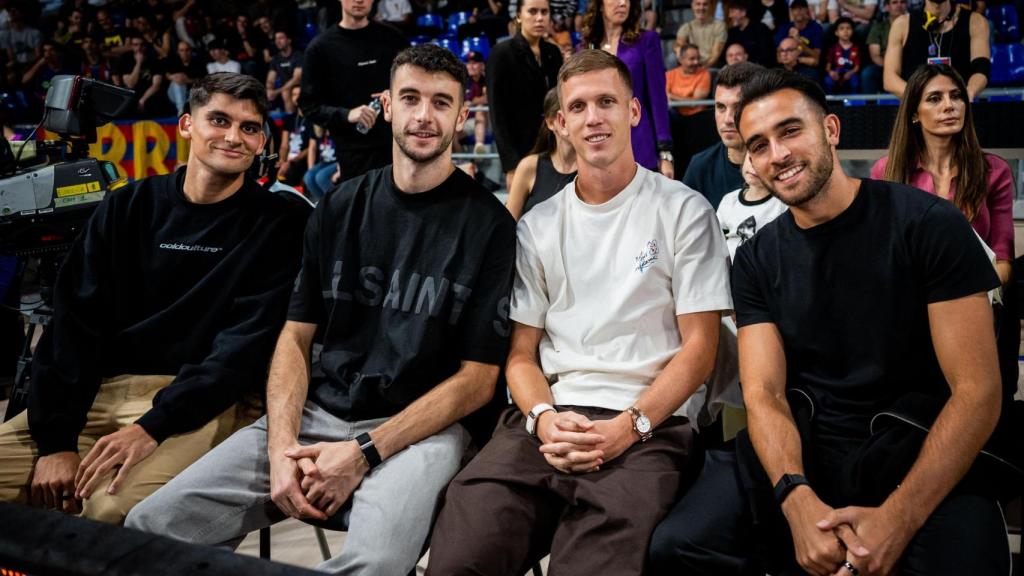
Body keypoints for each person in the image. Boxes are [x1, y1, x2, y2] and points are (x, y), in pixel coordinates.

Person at [127, 44, 516, 576]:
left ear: (462, 116)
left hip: (419, 430)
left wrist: (363, 452)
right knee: (148, 526)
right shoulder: (339, 204)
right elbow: (294, 336)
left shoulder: (491, 226)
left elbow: (477, 381)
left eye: (441, 103)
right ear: (387, 105)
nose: (424, 115)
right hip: (316, 415)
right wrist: (281, 446)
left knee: (374, 564)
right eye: (410, 98)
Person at [649, 68, 1009, 576]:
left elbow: (978, 391)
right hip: (806, 446)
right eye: (759, 145)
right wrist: (795, 498)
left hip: (917, 446)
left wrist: (898, 518)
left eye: (790, 130)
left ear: (831, 130)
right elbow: (764, 394)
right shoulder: (756, 259)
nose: (778, 154)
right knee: (678, 545)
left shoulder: (928, 224)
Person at [426, 48, 731, 576]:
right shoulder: (538, 226)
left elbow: (701, 348)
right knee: (460, 557)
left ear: (633, 111)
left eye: (607, 102)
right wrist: (544, 419)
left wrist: (629, 426)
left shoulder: (684, 209)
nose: (594, 118)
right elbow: (521, 355)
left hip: (647, 424)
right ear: (560, 123)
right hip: (549, 419)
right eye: (579, 106)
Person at [0, 73, 306, 524]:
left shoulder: (281, 223)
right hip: (99, 392)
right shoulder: (127, 205)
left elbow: (240, 351)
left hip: (201, 405)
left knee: (108, 512)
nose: (233, 137)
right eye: (219, 120)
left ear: (261, 142)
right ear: (186, 125)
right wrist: (57, 443)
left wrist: (152, 427)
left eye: (249, 128)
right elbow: (73, 327)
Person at [872, 64, 1014, 286]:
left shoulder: (995, 170)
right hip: (908, 297)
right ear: (914, 114)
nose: (949, 106)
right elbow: (881, 252)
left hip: (974, 294)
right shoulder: (885, 170)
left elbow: (1003, 261)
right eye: (935, 98)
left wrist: (964, 295)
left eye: (956, 96)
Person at [299, 0, 407, 183]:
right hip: (353, 155)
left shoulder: (393, 37)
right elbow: (308, 106)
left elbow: (417, 82)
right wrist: (347, 114)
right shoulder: (320, 49)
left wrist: (398, 93)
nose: (359, 0)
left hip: (398, 145)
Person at [583, 0, 674, 176]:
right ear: (600, 5)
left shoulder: (647, 41)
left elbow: (658, 100)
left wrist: (665, 152)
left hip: (639, 145)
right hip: (598, 146)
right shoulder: (586, 47)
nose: (623, 3)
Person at [487, 0, 562, 190]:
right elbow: (498, 114)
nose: (539, 18)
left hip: (554, 148)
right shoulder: (501, 53)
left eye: (544, 12)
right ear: (519, 16)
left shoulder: (553, 53)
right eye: (532, 11)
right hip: (520, 152)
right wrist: (511, 165)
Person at [683, 62, 764, 209]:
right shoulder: (700, 166)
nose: (728, 119)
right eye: (721, 107)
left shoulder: (781, 164)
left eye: (738, 108)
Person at [883, 0, 990, 100]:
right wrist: (925, 99)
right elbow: (889, 79)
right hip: (917, 108)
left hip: (958, 105)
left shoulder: (976, 22)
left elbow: (981, 70)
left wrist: (967, 94)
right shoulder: (902, 24)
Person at [506, 87, 577, 220]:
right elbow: (508, 223)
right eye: (572, 111)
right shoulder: (529, 166)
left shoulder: (593, 168)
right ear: (551, 123)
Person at [861, 0, 907, 94]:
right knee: (868, 73)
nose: (899, 5)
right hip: (884, 66)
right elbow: (875, 56)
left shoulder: (914, 26)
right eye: (894, 2)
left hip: (909, 65)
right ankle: (870, 103)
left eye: (902, 2)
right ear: (887, 7)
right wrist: (892, 68)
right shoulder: (879, 27)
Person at [675, 0, 727, 68]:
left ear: (710, 6)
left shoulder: (719, 26)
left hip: (711, 65)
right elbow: (678, 44)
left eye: (705, 4)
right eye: (698, 4)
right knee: (672, 58)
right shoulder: (686, 27)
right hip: (691, 63)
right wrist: (679, 51)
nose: (701, 8)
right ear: (692, 6)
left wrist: (701, 70)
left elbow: (715, 55)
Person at [774, 0, 823, 70]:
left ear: (806, 10)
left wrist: (798, 42)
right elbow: (778, 56)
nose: (798, 11)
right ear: (791, 11)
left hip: (806, 66)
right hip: (787, 65)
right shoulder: (784, 28)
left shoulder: (815, 28)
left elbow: (816, 56)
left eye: (801, 8)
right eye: (795, 9)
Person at [725, 0, 776, 66]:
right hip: (734, 68)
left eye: (732, 12)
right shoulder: (732, 32)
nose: (730, 16)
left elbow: (766, 55)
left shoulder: (761, 29)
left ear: (743, 12)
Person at [666, 43, 712, 115]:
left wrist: (672, 96)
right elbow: (665, 97)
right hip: (675, 114)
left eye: (698, 58)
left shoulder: (704, 74)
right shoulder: (669, 75)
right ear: (681, 60)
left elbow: (694, 103)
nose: (696, 62)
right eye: (692, 59)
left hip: (697, 115)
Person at [266, 29, 303, 114]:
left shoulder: (298, 56)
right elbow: (270, 79)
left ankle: (291, 118)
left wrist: (277, 92)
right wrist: (269, 89)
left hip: (299, 86)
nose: (277, 41)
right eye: (276, 39)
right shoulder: (276, 59)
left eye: (281, 38)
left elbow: (296, 79)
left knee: (286, 92)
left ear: (289, 40)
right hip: (283, 88)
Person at [164, 40, 206, 116]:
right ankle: (181, 111)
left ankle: (185, 110)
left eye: (187, 50)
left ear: (191, 51)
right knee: (178, 82)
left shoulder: (198, 63)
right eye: (182, 50)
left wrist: (187, 80)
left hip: (191, 95)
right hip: (174, 94)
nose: (185, 53)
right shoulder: (174, 61)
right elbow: (167, 74)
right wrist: (174, 77)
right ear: (178, 52)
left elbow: (203, 80)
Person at [824, 17, 861, 93]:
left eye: (848, 28)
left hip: (850, 72)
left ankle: (853, 100)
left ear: (853, 31)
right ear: (836, 33)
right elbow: (828, 67)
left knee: (855, 82)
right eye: (842, 29)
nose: (845, 31)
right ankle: (829, 100)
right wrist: (831, 73)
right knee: (828, 81)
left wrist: (850, 73)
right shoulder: (833, 47)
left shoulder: (856, 48)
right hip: (836, 71)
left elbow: (857, 67)